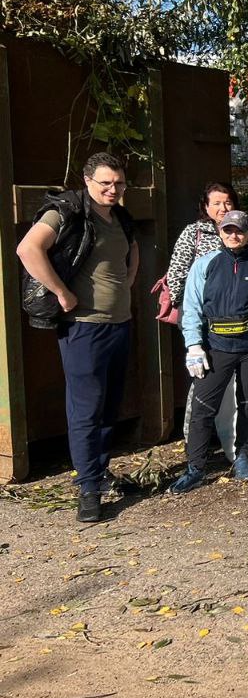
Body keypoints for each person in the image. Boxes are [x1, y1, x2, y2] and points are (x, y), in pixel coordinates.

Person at [16, 152, 138, 523]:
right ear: (87, 181)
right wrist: (62, 293)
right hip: (84, 327)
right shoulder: (67, 211)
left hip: (120, 324)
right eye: (105, 183)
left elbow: (131, 250)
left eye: (118, 183)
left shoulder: (120, 217)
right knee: (87, 407)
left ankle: (98, 472)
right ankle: (87, 488)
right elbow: (28, 249)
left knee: (109, 405)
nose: (113, 189)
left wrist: (128, 283)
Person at [170, 210, 248, 493]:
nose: (234, 235)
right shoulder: (205, 264)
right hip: (215, 347)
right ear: (220, 233)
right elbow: (192, 308)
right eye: (228, 230)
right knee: (203, 407)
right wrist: (193, 345)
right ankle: (195, 468)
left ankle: (243, 458)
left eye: (240, 231)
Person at [166, 182, 240, 307]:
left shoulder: (242, 232)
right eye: (216, 203)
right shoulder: (194, 232)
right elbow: (177, 271)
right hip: (200, 306)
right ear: (206, 206)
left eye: (228, 203)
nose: (223, 208)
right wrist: (185, 306)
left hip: (235, 307)